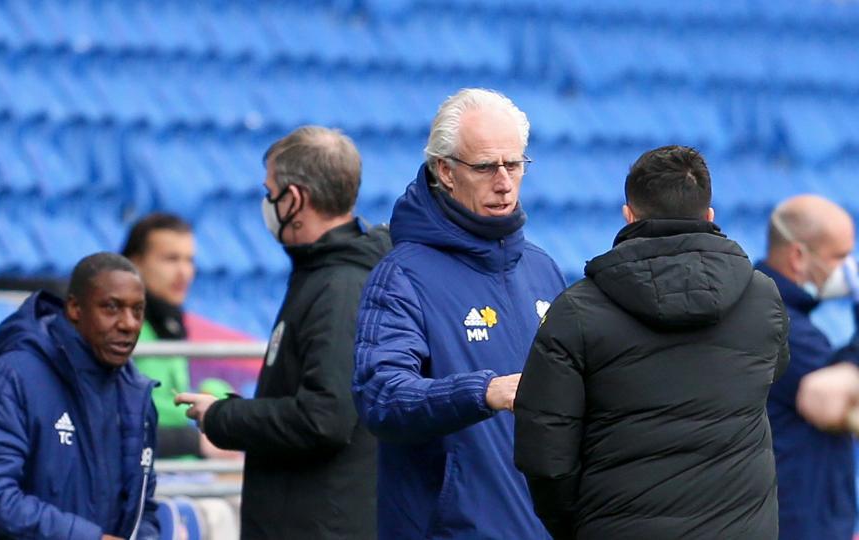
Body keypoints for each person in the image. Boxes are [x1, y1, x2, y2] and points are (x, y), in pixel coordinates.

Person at [514, 145, 789, 540]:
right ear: (709, 216)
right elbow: (772, 372)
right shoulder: (762, 298)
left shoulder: (577, 310)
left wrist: (580, 523)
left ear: (629, 215)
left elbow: (545, 453)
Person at [352, 88, 565, 539]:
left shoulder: (543, 270)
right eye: (486, 167)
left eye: (515, 164)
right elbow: (381, 396)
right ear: (445, 171)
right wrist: (483, 391)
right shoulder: (401, 276)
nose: (504, 181)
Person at [176, 125, 390, 539]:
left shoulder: (340, 287)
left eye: (269, 191)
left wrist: (222, 416)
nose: (267, 203)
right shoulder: (322, 275)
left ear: (294, 199)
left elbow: (325, 418)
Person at [0, 252, 159, 540]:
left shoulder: (136, 396)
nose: (129, 324)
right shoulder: (11, 379)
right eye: (111, 307)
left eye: (138, 310)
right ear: (74, 308)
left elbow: (141, 506)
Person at [757, 194, 859, 540]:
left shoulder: (768, 307)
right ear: (799, 256)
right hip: (799, 519)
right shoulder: (778, 322)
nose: (848, 269)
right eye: (840, 257)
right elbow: (839, 391)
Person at [123, 212, 232, 459]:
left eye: (189, 260)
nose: (184, 272)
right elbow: (116, 426)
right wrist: (193, 438)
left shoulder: (170, 322)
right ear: (136, 263)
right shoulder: (117, 330)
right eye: (171, 259)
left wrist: (208, 397)